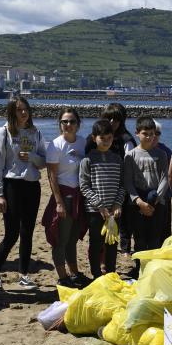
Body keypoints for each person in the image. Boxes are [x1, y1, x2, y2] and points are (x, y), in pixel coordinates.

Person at [0, 97, 46, 293]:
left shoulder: (35, 133)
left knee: (27, 233)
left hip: (32, 186)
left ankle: (23, 275)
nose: (23, 113)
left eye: (25, 109)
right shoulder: (2, 133)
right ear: (12, 112)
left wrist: (33, 157)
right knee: (11, 234)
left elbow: (43, 162)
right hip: (12, 185)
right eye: (19, 110)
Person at [43, 108, 89, 287]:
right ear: (60, 124)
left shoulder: (83, 143)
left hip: (79, 196)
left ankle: (75, 273)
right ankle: (63, 277)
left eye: (72, 122)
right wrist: (59, 203)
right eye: (64, 122)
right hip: (63, 195)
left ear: (78, 124)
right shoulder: (55, 145)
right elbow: (52, 176)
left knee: (73, 238)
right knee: (60, 240)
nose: (68, 125)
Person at [85, 103, 135, 254]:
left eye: (116, 119)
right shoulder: (92, 138)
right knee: (96, 236)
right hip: (96, 192)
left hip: (118, 188)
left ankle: (125, 249)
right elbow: (86, 163)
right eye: (109, 118)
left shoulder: (126, 139)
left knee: (120, 225)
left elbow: (129, 167)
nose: (112, 122)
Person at [123, 117, 170, 275]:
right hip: (137, 202)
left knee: (155, 238)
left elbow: (165, 178)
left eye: (152, 134)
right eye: (145, 134)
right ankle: (140, 269)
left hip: (156, 200)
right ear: (137, 133)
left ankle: (154, 270)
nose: (149, 137)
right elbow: (128, 181)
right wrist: (139, 202)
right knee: (140, 239)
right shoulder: (131, 155)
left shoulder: (161, 154)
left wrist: (155, 201)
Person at [79, 120, 125, 279]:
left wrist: (118, 203)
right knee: (96, 243)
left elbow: (122, 185)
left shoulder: (118, 159)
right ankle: (96, 275)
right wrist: (99, 206)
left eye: (109, 138)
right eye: (102, 138)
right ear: (94, 138)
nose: (106, 141)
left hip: (114, 211)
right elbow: (84, 186)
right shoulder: (87, 160)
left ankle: (111, 274)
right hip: (94, 211)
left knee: (112, 243)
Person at [153, 120, 172, 245]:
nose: (154, 136)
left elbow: (170, 174)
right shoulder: (137, 151)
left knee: (164, 228)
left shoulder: (166, 150)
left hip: (164, 195)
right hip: (146, 195)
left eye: (157, 133)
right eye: (150, 132)